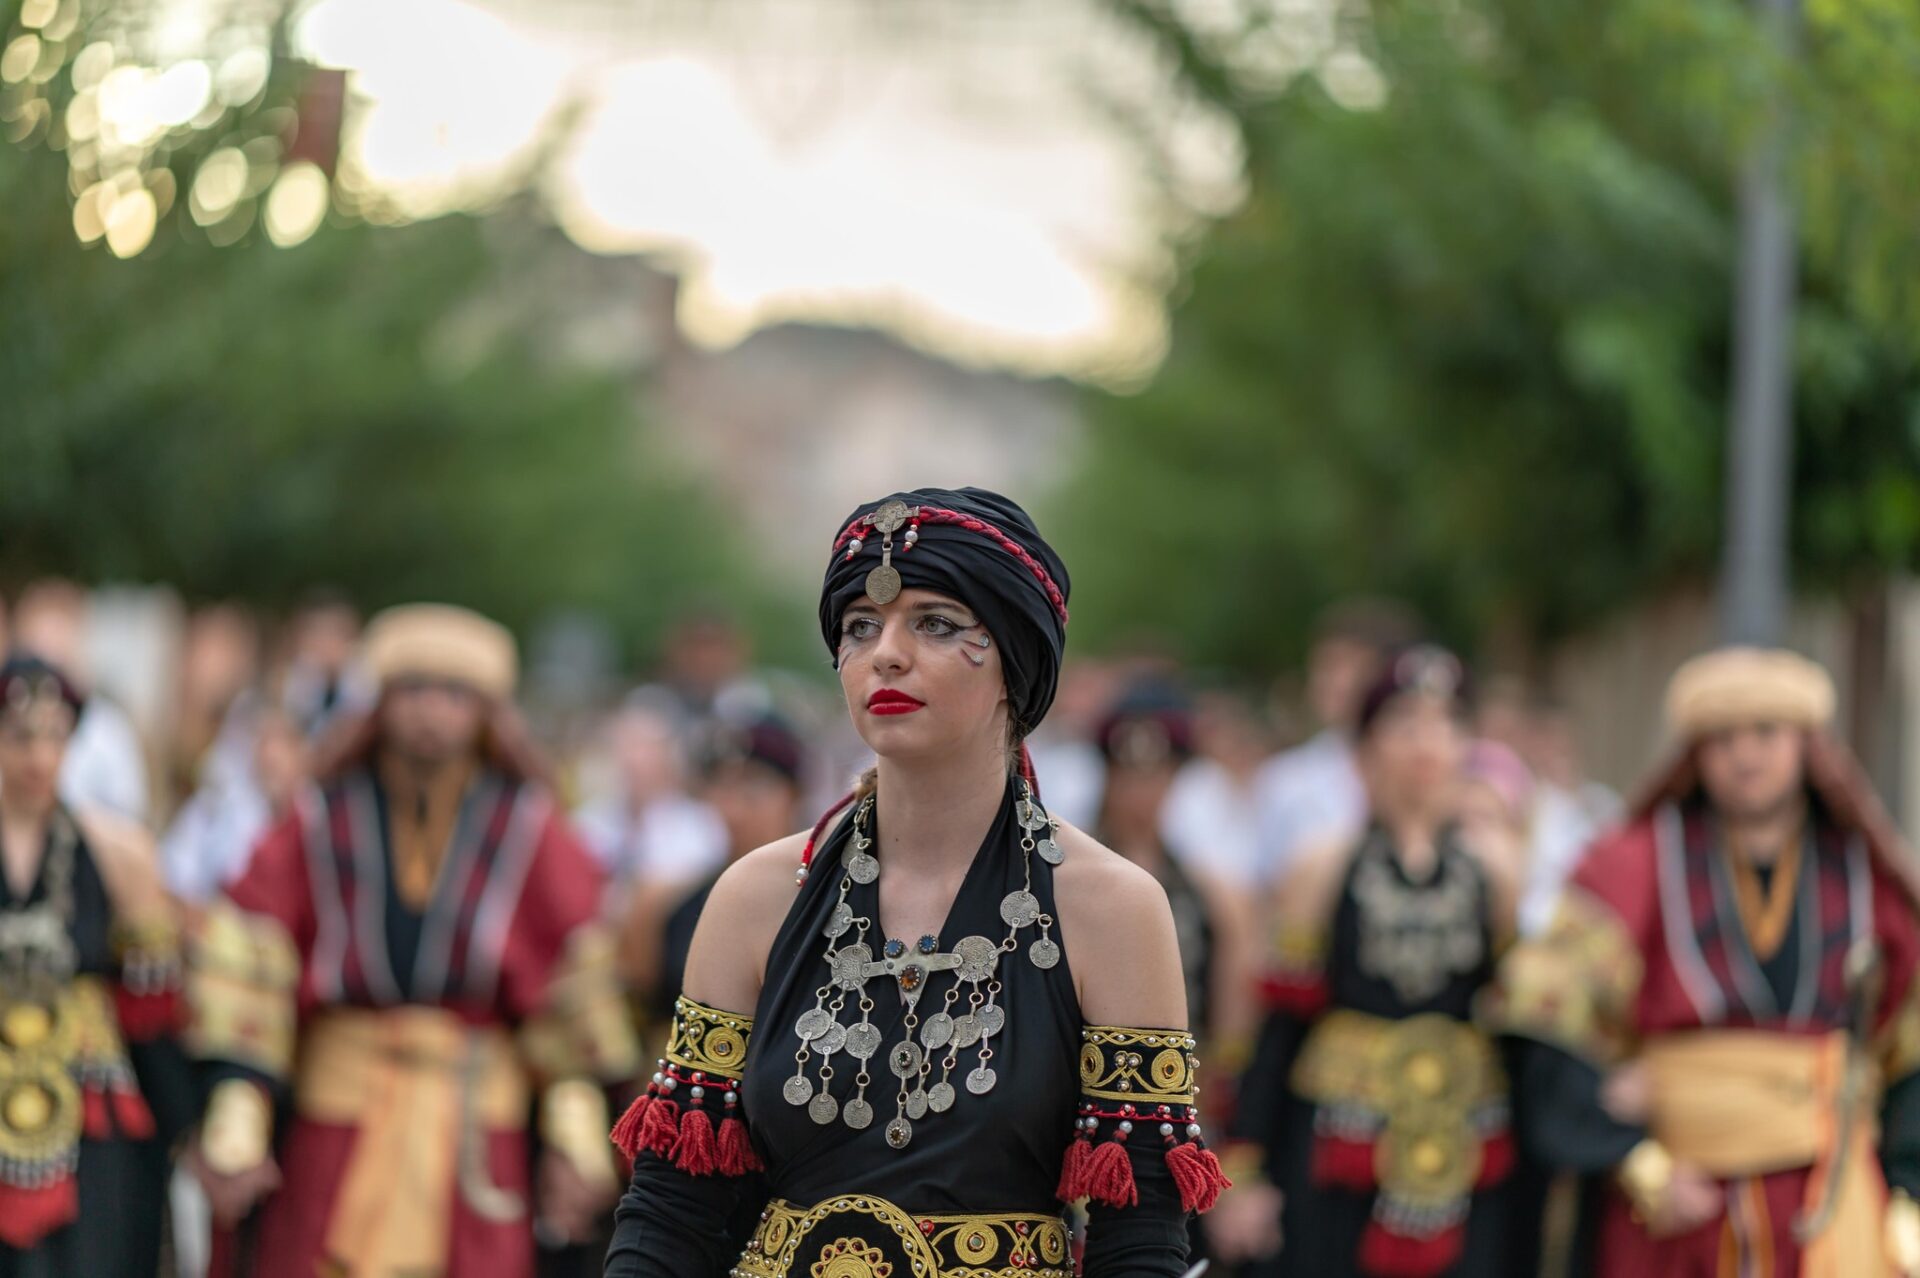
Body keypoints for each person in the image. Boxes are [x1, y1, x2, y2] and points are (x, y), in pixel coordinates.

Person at [604, 487, 1228, 1278]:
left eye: (935, 624)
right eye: (861, 627)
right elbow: (672, 1212)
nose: (886, 654)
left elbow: (1138, 1238)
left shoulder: (1112, 906)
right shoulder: (757, 895)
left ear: (1015, 658)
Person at [184, 603, 641, 1278]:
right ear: (380, 703)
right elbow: (252, 948)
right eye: (414, 690)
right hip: (338, 1111)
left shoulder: (530, 825)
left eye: (455, 693)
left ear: (487, 712)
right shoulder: (319, 815)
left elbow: (570, 976)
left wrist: (575, 1130)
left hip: (477, 1122)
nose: (432, 711)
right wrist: (236, 1106)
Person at [1488, 647, 1920, 1277]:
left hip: (1831, 1203)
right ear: (1695, 753)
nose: (1745, 756)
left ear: (1807, 745)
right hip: (1674, 1208)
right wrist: (1633, 1158)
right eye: (1722, 738)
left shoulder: (1867, 879)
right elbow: (1543, 1016)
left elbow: (1910, 1050)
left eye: (1766, 733)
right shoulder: (1629, 866)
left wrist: (1908, 1191)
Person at [1215, 646, 1522, 1278]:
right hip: (1342, 1130)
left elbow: (1511, 1015)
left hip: (1464, 1127)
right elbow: (1281, 1022)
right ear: (1364, 747)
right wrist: (1243, 1164)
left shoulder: (1496, 868)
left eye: (1446, 722)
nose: (1427, 741)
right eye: (1405, 723)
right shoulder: (1322, 866)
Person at [0, 655, 193, 1276]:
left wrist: (189, 1121)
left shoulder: (117, 853)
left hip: (87, 1101)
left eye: (56, 737)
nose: (39, 756)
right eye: (20, 737)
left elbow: (149, 1009)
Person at [621, 713, 809, 1026]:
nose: (734, 809)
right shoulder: (670, 905)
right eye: (722, 788)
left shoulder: (827, 897)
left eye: (753, 788)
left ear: (794, 793)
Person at [1251, 599, 1416, 888]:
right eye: (1325, 667)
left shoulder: (1428, 771)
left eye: (1353, 667)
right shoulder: (1285, 779)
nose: (1335, 682)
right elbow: (1261, 885)